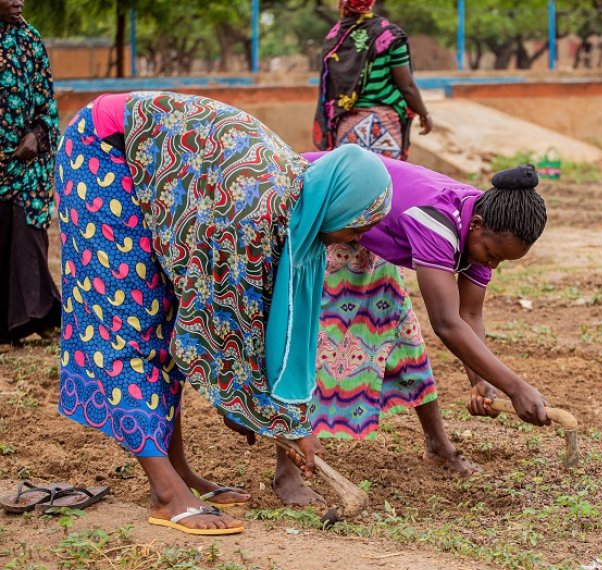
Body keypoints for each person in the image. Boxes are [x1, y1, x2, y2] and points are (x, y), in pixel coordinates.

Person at [54, 90, 392, 535]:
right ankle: (166, 492)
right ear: (337, 203)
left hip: (143, 165)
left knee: (162, 314)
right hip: (102, 156)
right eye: (356, 226)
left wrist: (285, 415)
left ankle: (179, 472)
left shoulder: (299, 197)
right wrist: (258, 410)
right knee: (131, 324)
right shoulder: (256, 209)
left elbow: (261, 313)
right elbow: (222, 318)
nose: (354, 239)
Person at [266, 155, 551, 506]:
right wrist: (516, 388)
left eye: (500, 261)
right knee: (314, 339)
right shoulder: (437, 221)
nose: (492, 264)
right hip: (326, 210)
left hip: (367, 232)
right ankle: (287, 473)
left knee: (400, 331)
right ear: (476, 225)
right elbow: (447, 324)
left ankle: (439, 446)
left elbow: (469, 314)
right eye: (491, 254)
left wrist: (481, 382)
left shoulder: (487, 225)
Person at [0, 0, 61, 344]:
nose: (17, 1)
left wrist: (37, 135)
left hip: (26, 163)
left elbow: (46, 100)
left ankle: (41, 318)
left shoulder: (29, 38)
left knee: (27, 237)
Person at [313, 0, 432, 161]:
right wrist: (424, 114)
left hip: (348, 131)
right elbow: (407, 86)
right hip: (385, 129)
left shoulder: (335, 39)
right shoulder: (389, 35)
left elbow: (330, 92)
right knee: (388, 183)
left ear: (343, 4)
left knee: (351, 184)